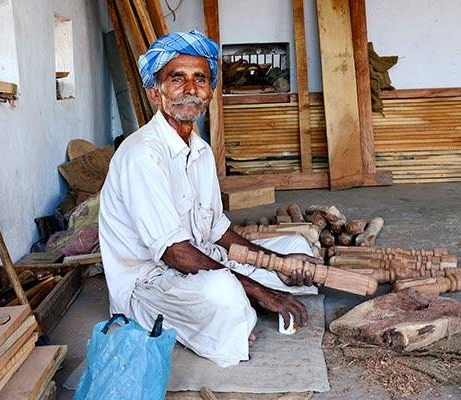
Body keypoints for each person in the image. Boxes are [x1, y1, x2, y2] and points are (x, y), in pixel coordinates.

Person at [99, 30, 319, 367]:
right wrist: (261, 290)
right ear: (155, 94)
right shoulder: (142, 155)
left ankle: (249, 299)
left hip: (202, 259)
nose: (190, 89)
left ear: (211, 92)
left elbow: (218, 231)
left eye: (199, 79)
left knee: (296, 250)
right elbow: (174, 253)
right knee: (223, 292)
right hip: (151, 284)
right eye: (177, 79)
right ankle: (245, 304)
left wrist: (275, 260)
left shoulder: (199, 150)